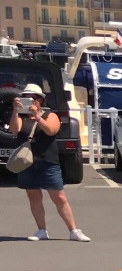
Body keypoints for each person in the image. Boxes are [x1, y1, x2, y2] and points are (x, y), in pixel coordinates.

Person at [8, 83, 90, 242]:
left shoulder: (49, 115)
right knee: (34, 196)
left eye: (32, 98)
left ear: (40, 100)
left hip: (48, 161)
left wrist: (37, 116)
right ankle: (41, 230)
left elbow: (51, 130)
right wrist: (15, 110)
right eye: (25, 97)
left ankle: (73, 230)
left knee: (59, 196)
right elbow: (14, 130)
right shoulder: (21, 116)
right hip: (27, 162)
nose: (29, 101)